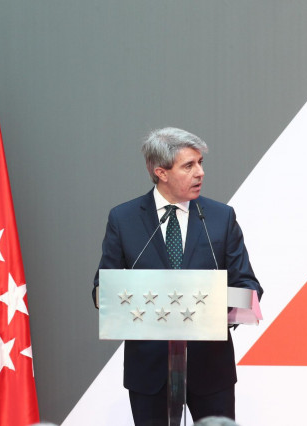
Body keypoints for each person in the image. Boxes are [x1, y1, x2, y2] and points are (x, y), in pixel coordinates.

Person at [92, 127, 263, 425]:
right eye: (189, 165)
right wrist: (106, 296)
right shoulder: (124, 218)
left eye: (200, 163)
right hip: (149, 369)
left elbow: (248, 285)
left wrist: (215, 305)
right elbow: (102, 287)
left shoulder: (221, 217)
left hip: (211, 368)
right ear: (161, 172)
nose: (200, 173)